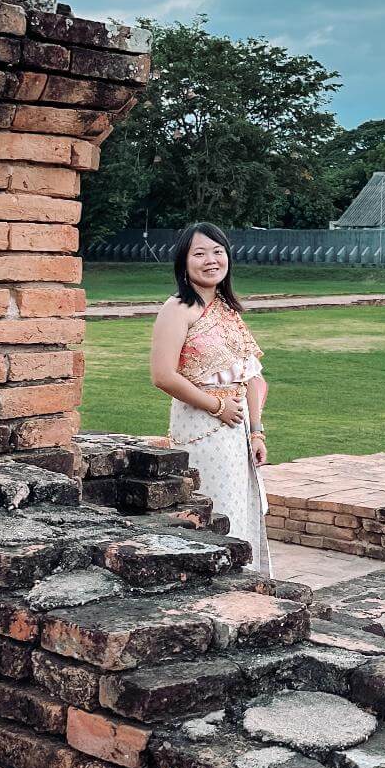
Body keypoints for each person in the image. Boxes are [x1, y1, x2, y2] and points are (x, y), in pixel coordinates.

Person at [150, 222, 271, 574]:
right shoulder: (177, 309)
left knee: (240, 507)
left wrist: (257, 432)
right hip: (201, 425)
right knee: (213, 507)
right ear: (184, 262)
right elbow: (163, 375)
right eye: (199, 253)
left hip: (238, 431)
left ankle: (245, 585)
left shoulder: (228, 310)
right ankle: (210, 586)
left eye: (218, 252)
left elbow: (250, 375)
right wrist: (215, 406)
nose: (211, 260)